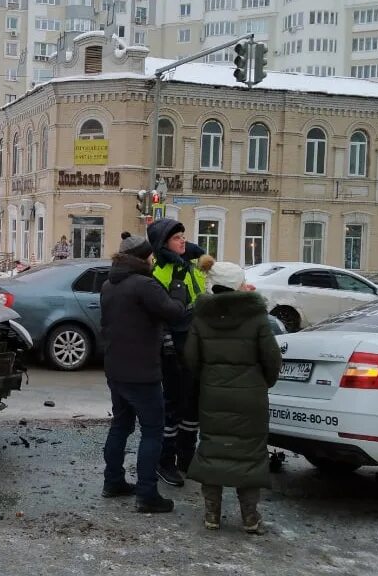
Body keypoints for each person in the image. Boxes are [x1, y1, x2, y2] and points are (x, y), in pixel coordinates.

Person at [182, 261, 282, 534]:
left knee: (213, 448)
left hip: (213, 395)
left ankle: (211, 514)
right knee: (249, 452)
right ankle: (250, 517)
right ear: (238, 284)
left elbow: (191, 359)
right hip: (251, 397)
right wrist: (262, 384)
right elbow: (272, 359)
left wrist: (209, 380)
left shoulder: (202, 317)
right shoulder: (257, 317)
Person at [99, 232, 187, 513]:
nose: (152, 258)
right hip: (142, 373)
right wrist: (177, 288)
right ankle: (147, 494)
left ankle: (113, 481)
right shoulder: (144, 285)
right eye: (149, 255)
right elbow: (174, 312)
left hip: (116, 369)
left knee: (121, 425)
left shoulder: (108, 285)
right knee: (153, 431)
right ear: (141, 257)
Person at [145, 218, 214, 487]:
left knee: (193, 405)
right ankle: (166, 461)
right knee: (172, 406)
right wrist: (166, 343)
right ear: (163, 243)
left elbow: (202, 300)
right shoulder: (160, 272)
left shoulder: (192, 265)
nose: (183, 241)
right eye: (176, 238)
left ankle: (187, 457)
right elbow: (156, 315)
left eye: (183, 236)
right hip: (173, 349)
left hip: (196, 346)